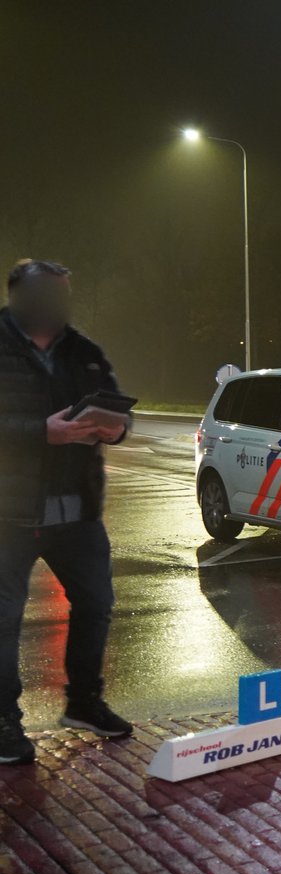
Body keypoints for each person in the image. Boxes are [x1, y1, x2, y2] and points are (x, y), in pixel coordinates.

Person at [0, 259, 134, 765]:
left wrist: (114, 428)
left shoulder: (84, 351)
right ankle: (3, 724)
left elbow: (122, 414)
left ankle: (84, 702)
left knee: (97, 605)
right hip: (7, 516)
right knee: (3, 620)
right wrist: (41, 430)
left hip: (77, 515)